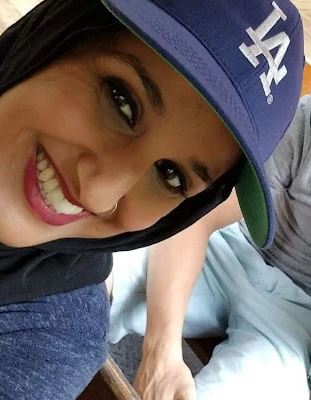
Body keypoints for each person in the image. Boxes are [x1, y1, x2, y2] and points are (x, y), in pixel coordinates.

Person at [0, 0, 304, 398]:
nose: (100, 195)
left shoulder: (38, 348)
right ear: (59, 33)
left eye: (170, 175)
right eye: (122, 102)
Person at [107, 93, 311, 399]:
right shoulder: (306, 119)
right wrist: (161, 350)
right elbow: (199, 220)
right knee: (94, 269)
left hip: (297, 316)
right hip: (231, 242)